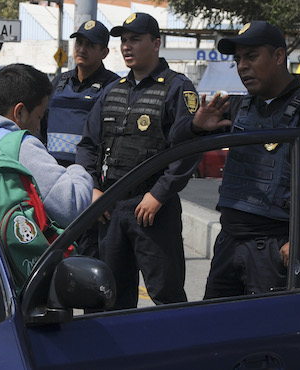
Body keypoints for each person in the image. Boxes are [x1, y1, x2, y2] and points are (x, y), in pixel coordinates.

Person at [175, 21, 300, 298]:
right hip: (229, 244)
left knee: (269, 337)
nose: (242, 66)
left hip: (275, 251)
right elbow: (174, 144)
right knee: (215, 332)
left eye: (251, 56)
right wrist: (196, 126)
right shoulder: (236, 107)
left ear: (279, 56)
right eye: (238, 60)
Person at [76, 12, 201, 309]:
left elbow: (188, 148)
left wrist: (159, 195)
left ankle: (172, 354)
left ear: (156, 43)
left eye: (135, 39)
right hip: (111, 208)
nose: (127, 46)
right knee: (109, 296)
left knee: (166, 296)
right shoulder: (113, 90)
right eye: (123, 40)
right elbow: (88, 145)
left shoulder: (177, 88)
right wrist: (92, 189)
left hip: (153, 210)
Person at [0, 63, 93, 231]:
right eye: (39, 117)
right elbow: (70, 207)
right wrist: (77, 171)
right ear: (20, 112)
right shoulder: (21, 146)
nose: (38, 127)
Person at [43, 20, 119, 167]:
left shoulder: (114, 86)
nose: (82, 49)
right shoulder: (58, 82)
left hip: (90, 174)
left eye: (90, 45)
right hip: (53, 171)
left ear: (104, 53)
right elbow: (41, 126)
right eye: (79, 42)